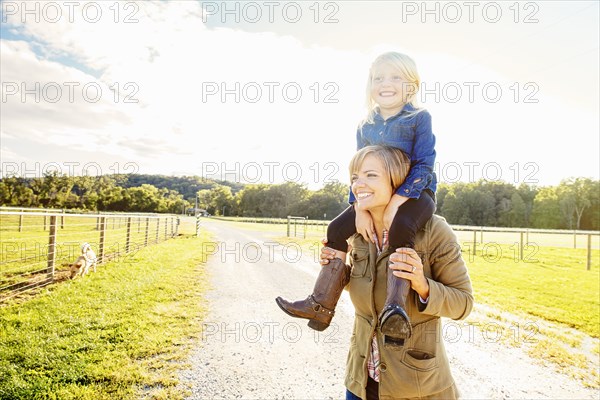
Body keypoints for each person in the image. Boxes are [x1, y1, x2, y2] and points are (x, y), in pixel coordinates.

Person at [276, 51, 437, 348]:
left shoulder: (418, 118)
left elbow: (425, 164)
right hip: (371, 197)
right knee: (336, 231)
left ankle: (395, 308)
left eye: (395, 77)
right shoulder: (365, 124)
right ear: (369, 85)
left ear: (411, 85)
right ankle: (320, 304)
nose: (385, 83)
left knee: (402, 227)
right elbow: (358, 171)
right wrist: (358, 207)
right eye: (378, 78)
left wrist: (397, 201)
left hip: (415, 195)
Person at [344, 145, 473, 400]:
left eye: (370, 175)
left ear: (398, 181)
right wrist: (339, 272)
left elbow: (464, 303)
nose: (359, 184)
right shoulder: (358, 230)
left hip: (417, 387)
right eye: (354, 177)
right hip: (360, 383)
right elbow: (367, 289)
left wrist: (422, 285)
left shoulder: (435, 231)